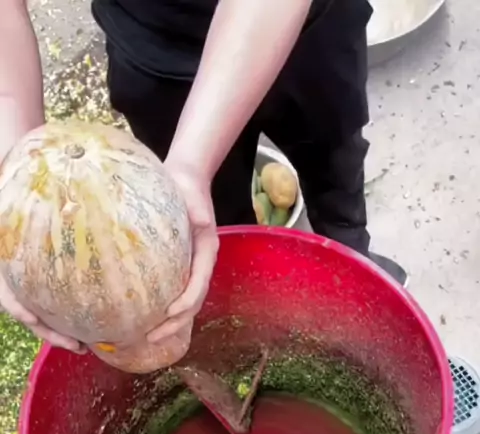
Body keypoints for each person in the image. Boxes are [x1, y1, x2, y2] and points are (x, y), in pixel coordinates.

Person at [0, 0, 385, 356]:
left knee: (335, 167)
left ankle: (359, 274)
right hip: (156, 54)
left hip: (305, 31)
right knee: (218, 238)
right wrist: (14, 196)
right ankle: (246, 335)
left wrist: (190, 165)